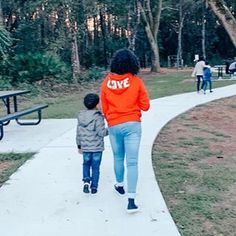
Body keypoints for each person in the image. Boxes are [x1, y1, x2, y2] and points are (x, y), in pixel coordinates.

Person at [100, 48, 150, 213]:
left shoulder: (106, 82)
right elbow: (145, 106)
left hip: (114, 125)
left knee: (118, 157)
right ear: (133, 63)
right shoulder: (136, 82)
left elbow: (104, 108)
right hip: (132, 125)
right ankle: (131, 200)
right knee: (133, 162)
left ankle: (119, 184)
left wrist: (112, 120)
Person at [76, 93, 108, 194]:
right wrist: (111, 129)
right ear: (97, 104)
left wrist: (79, 145)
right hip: (96, 148)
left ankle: (86, 181)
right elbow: (101, 132)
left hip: (85, 147)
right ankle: (94, 187)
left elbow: (78, 133)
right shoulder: (98, 117)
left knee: (86, 164)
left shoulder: (81, 116)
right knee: (95, 167)